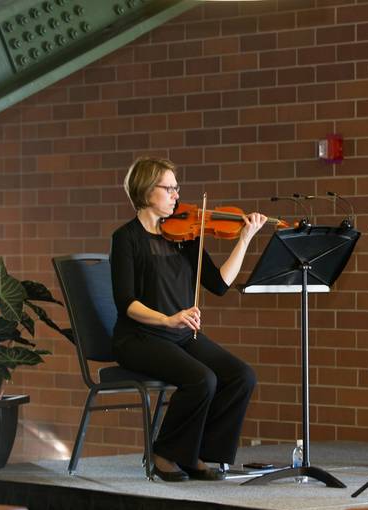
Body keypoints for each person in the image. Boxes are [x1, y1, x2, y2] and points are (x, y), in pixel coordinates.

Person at [110, 157, 266, 482]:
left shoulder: (186, 236)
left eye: (176, 189)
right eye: (168, 188)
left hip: (180, 335)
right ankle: (165, 452)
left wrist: (245, 240)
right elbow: (126, 303)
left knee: (241, 376)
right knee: (202, 379)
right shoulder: (126, 238)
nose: (176, 196)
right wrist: (167, 320)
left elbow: (220, 284)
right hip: (139, 337)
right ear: (145, 189)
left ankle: (195, 453)